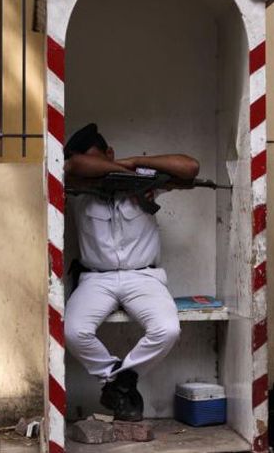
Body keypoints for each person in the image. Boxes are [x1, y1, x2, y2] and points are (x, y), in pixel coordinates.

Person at [63, 123, 200, 422]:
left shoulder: (142, 182)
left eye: (101, 159)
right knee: (72, 331)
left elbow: (190, 167)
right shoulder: (79, 186)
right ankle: (115, 378)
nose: (96, 168)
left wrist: (136, 164)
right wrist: (112, 171)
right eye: (93, 162)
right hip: (97, 279)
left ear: (110, 153)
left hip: (143, 277)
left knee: (167, 330)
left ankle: (122, 382)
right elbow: (75, 165)